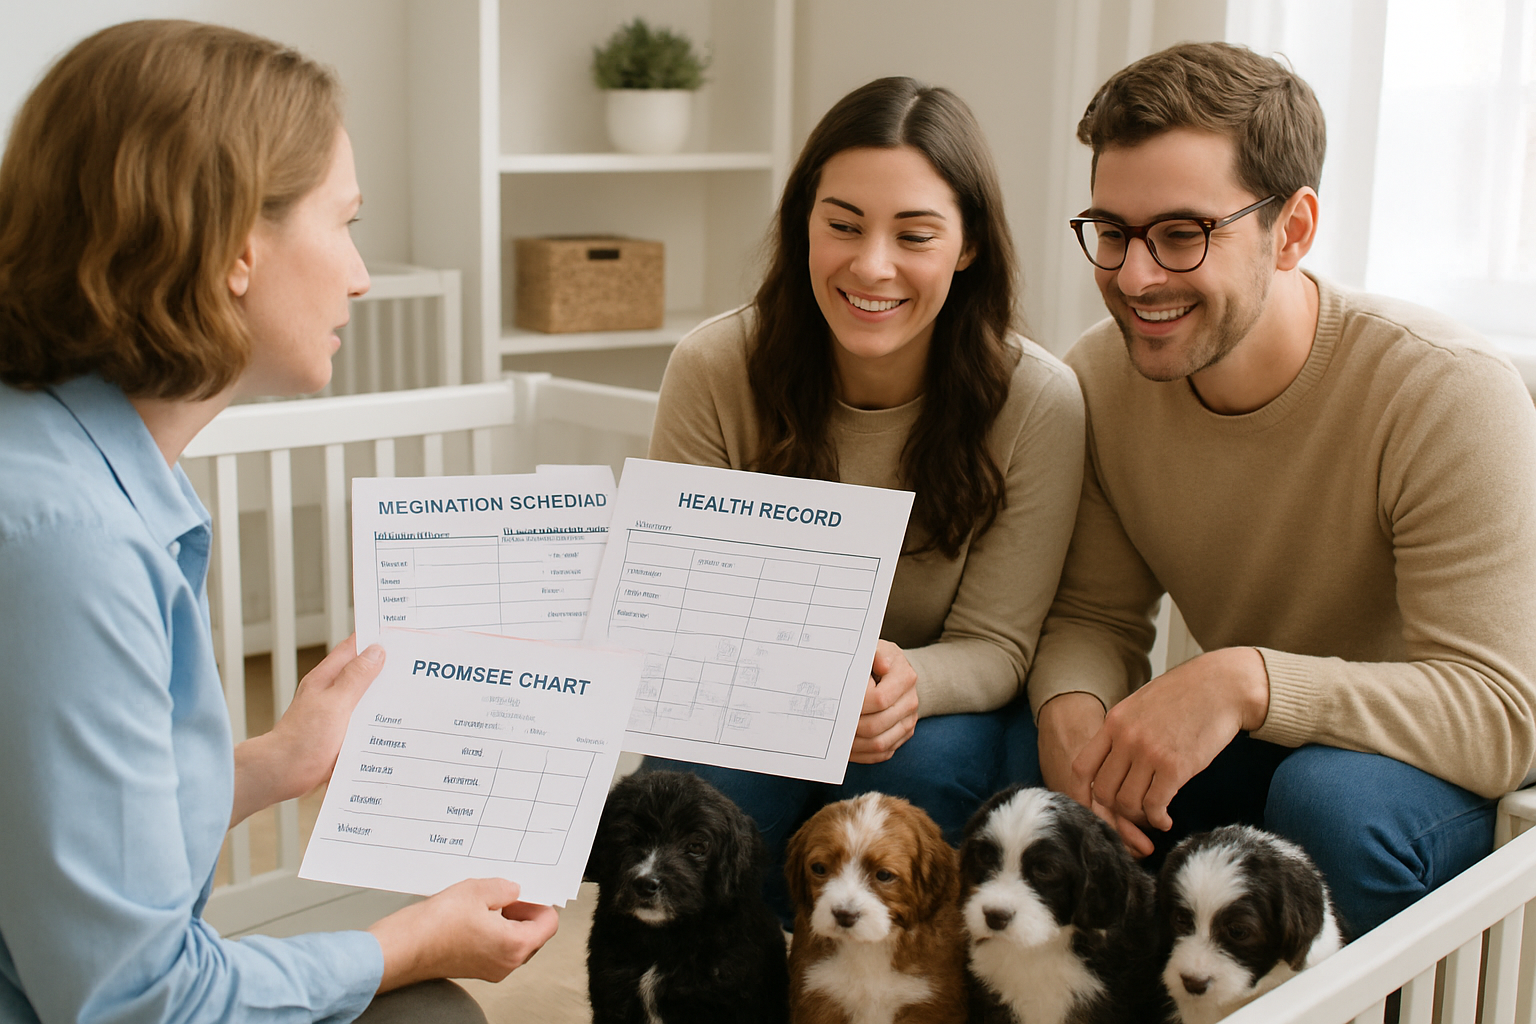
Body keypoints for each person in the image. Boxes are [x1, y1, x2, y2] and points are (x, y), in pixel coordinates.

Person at [0, 21, 557, 1024]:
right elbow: (137, 1001)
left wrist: (269, 765)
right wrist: (403, 941)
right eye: (343, 222)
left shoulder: (57, 464)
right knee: (431, 1010)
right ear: (235, 249)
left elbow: (57, 832)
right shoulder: (66, 542)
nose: (361, 274)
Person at [1029, 41, 1536, 934]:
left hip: (1447, 761)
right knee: (1048, 765)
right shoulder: (1101, 380)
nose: (1135, 277)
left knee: (1328, 798)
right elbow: (1093, 619)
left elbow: (1496, 713)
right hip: (1274, 732)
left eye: (1182, 234)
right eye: (1112, 232)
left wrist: (1245, 681)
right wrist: (1071, 716)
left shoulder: (1446, 388)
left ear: (1293, 229)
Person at [645, 76, 1085, 911]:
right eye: (842, 226)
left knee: (910, 778)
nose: (871, 265)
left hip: (931, 697)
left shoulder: (1039, 401)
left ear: (968, 246)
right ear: (802, 224)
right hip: (751, 686)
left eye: (914, 235)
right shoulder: (713, 367)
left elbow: (997, 644)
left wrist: (901, 680)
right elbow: (684, 619)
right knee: (700, 794)